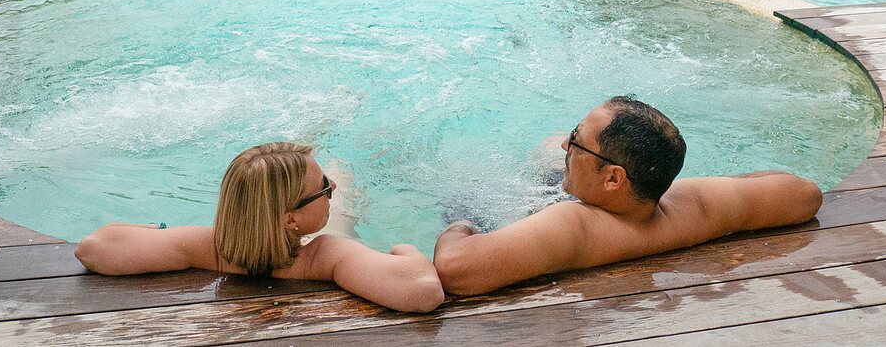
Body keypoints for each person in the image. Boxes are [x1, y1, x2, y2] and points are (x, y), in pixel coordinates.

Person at [432, 96, 823, 297]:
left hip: (552, 221)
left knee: (476, 188)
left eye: (576, 142)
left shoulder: (573, 225)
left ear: (614, 179)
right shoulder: (694, 206)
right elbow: (805, 195)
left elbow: (456, 268)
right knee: (549, 149)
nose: (568, 144)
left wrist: (464, 224)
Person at [74, 142, 443, 313]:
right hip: (323, 238)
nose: (329, 188)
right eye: (323, 187)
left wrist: (152, 228)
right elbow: (422, 292)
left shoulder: (206, 245)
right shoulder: (326, 254)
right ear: (290, 219)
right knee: (345, 201)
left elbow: (94, 247)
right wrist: (407, 251)